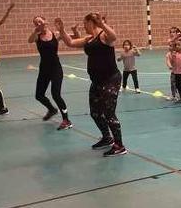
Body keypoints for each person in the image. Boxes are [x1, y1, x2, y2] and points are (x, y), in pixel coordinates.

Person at [55, 13, 126, 157]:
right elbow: (70, 43)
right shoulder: (89, 38)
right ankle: (107, 138)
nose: (83, 26)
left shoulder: (103, 36)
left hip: (110, 79)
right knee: (95, 113)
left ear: (91, 23)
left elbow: (114, 37)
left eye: (85, 23)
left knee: (109, 114)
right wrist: (62, 30)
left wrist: (102, 25)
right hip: (97, 81)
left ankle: (119, 146)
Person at [28, 16, 72, 130]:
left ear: (45, 22)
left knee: (56, 94)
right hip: (44, 69)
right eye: (35, 22)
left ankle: (66, 120)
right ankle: (52, 109)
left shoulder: (55, 34)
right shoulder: (37, 36)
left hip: (56, 68)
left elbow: (71, 37)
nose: (38, 23)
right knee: (39, 95)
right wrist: (35, 31)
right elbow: (30, 40)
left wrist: (68, 31)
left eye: (40, 21)